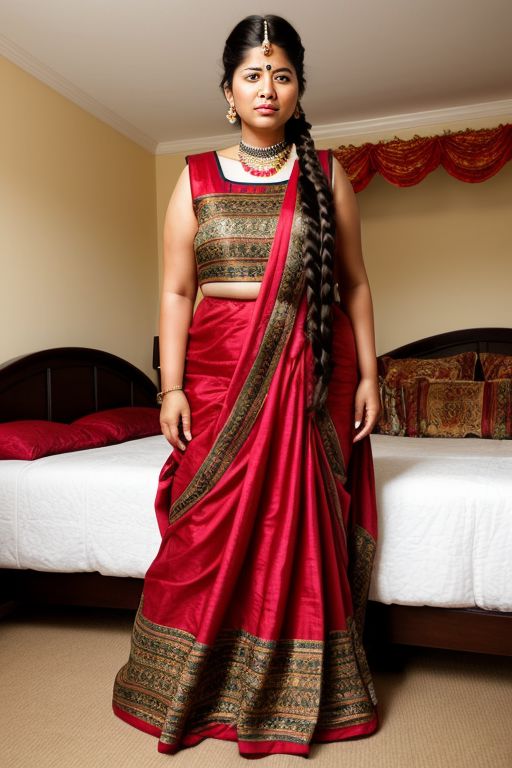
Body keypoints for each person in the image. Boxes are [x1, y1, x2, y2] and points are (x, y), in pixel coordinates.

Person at [113, 14, 381, 759]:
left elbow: (355, 285)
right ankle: (190, 680)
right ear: (228, 91)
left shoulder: (327, 177)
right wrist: (169, 389)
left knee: (294, 529)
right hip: (216, 376)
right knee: (206, 527)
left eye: (284, 73)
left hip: (306, 380)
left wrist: (370, 373)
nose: (269, 87)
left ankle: (291, 689)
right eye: (254, 74)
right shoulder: (194, 175)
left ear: (299, 91)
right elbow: (175, 291)